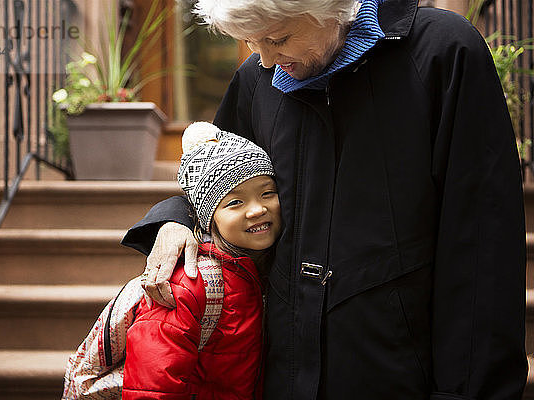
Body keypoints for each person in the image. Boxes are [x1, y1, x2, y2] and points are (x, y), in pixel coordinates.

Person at [121, 0, 527, 398]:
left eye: (277, 37)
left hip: (397, 374)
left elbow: (482, 238)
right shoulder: (258, 77)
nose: (265, 60)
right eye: (252, 41)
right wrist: (175, 220)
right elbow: (212, 181)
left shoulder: (443, 51)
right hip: (282, 373)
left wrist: (467, 391)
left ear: (331, 8)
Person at [121, 121, 281, 399]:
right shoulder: (188, 284)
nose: (257, 209)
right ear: (209, 219)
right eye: (235, 202)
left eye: (267, 193)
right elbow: (151, 386)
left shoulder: (268, 268)